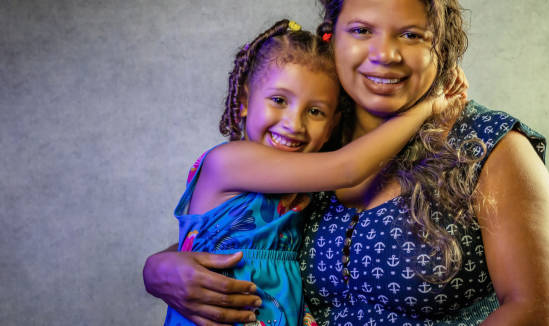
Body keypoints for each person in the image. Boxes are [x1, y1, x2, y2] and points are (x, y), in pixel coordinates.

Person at [144, 0, 549, 325]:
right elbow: (233, 233)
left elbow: (540, 314)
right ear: (331, 40)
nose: (384, 54)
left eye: (411, 34)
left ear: (442, 47)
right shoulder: (312, 142)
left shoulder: (489, 147)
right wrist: (160, 268)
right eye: (362, 31)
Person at [162, 19, 464, 326]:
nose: (294, 124)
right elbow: (347, 168)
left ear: (333, 123)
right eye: (279, 100)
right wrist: (428, 107)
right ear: (243, 101)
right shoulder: (229, 161)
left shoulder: (302, 180)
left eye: (315, 111)